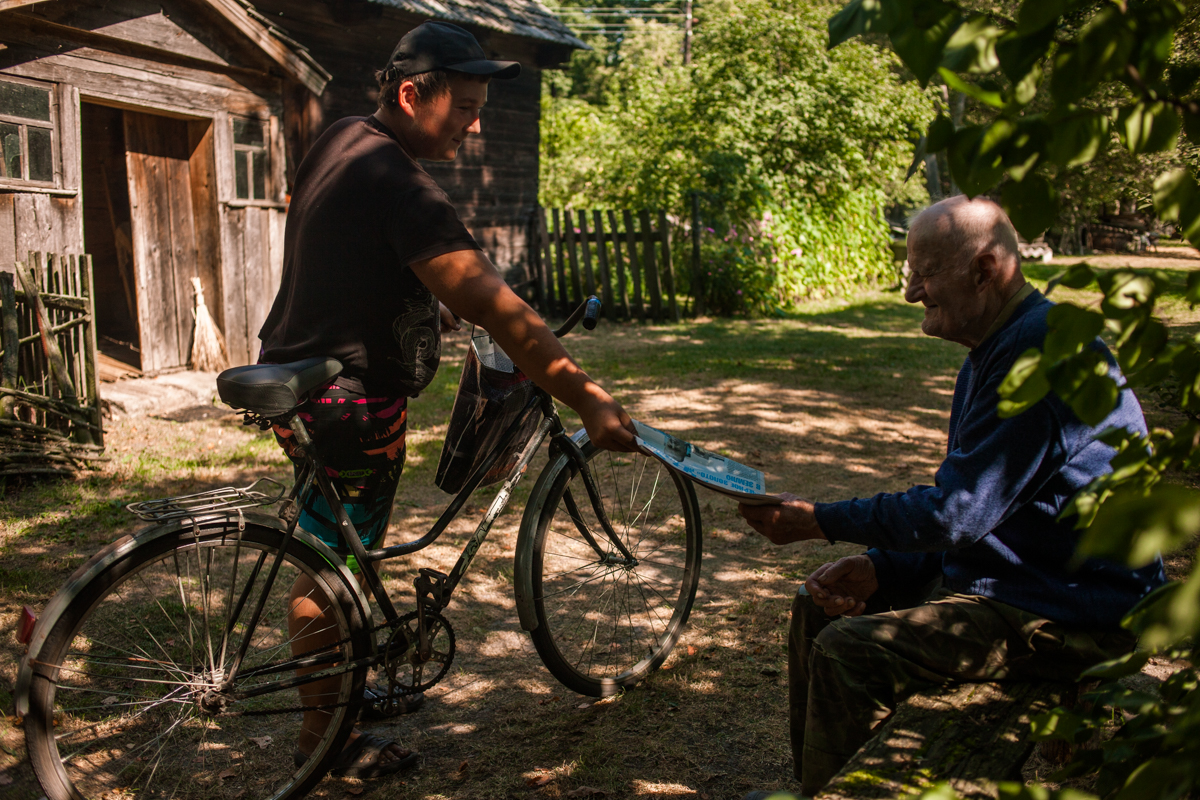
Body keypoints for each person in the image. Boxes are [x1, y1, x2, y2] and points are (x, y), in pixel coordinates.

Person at [257, 22, 637, 780]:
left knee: (343, 556)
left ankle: (345, 697)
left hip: (302, 380)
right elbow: (503, 312)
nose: (474, 122)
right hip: (349, 405)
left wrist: (428, 304)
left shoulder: (346, 139)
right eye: (464, 106)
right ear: (410, 94)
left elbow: (358, 258)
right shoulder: (400, 184)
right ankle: (324, 742)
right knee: (327, 572)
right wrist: (590, 398)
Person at [738, 196, 1165, 797]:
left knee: (850, 650)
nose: (911, 291)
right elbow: (986, 511)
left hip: (1075, 613)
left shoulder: (1041, 354)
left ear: (985, 269)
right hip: (1024, 583)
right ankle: (819, 788)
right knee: (817, 607)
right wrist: (881, 567)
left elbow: (957, 513)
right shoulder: (998, 349)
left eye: (924, 272)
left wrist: (819, 521)